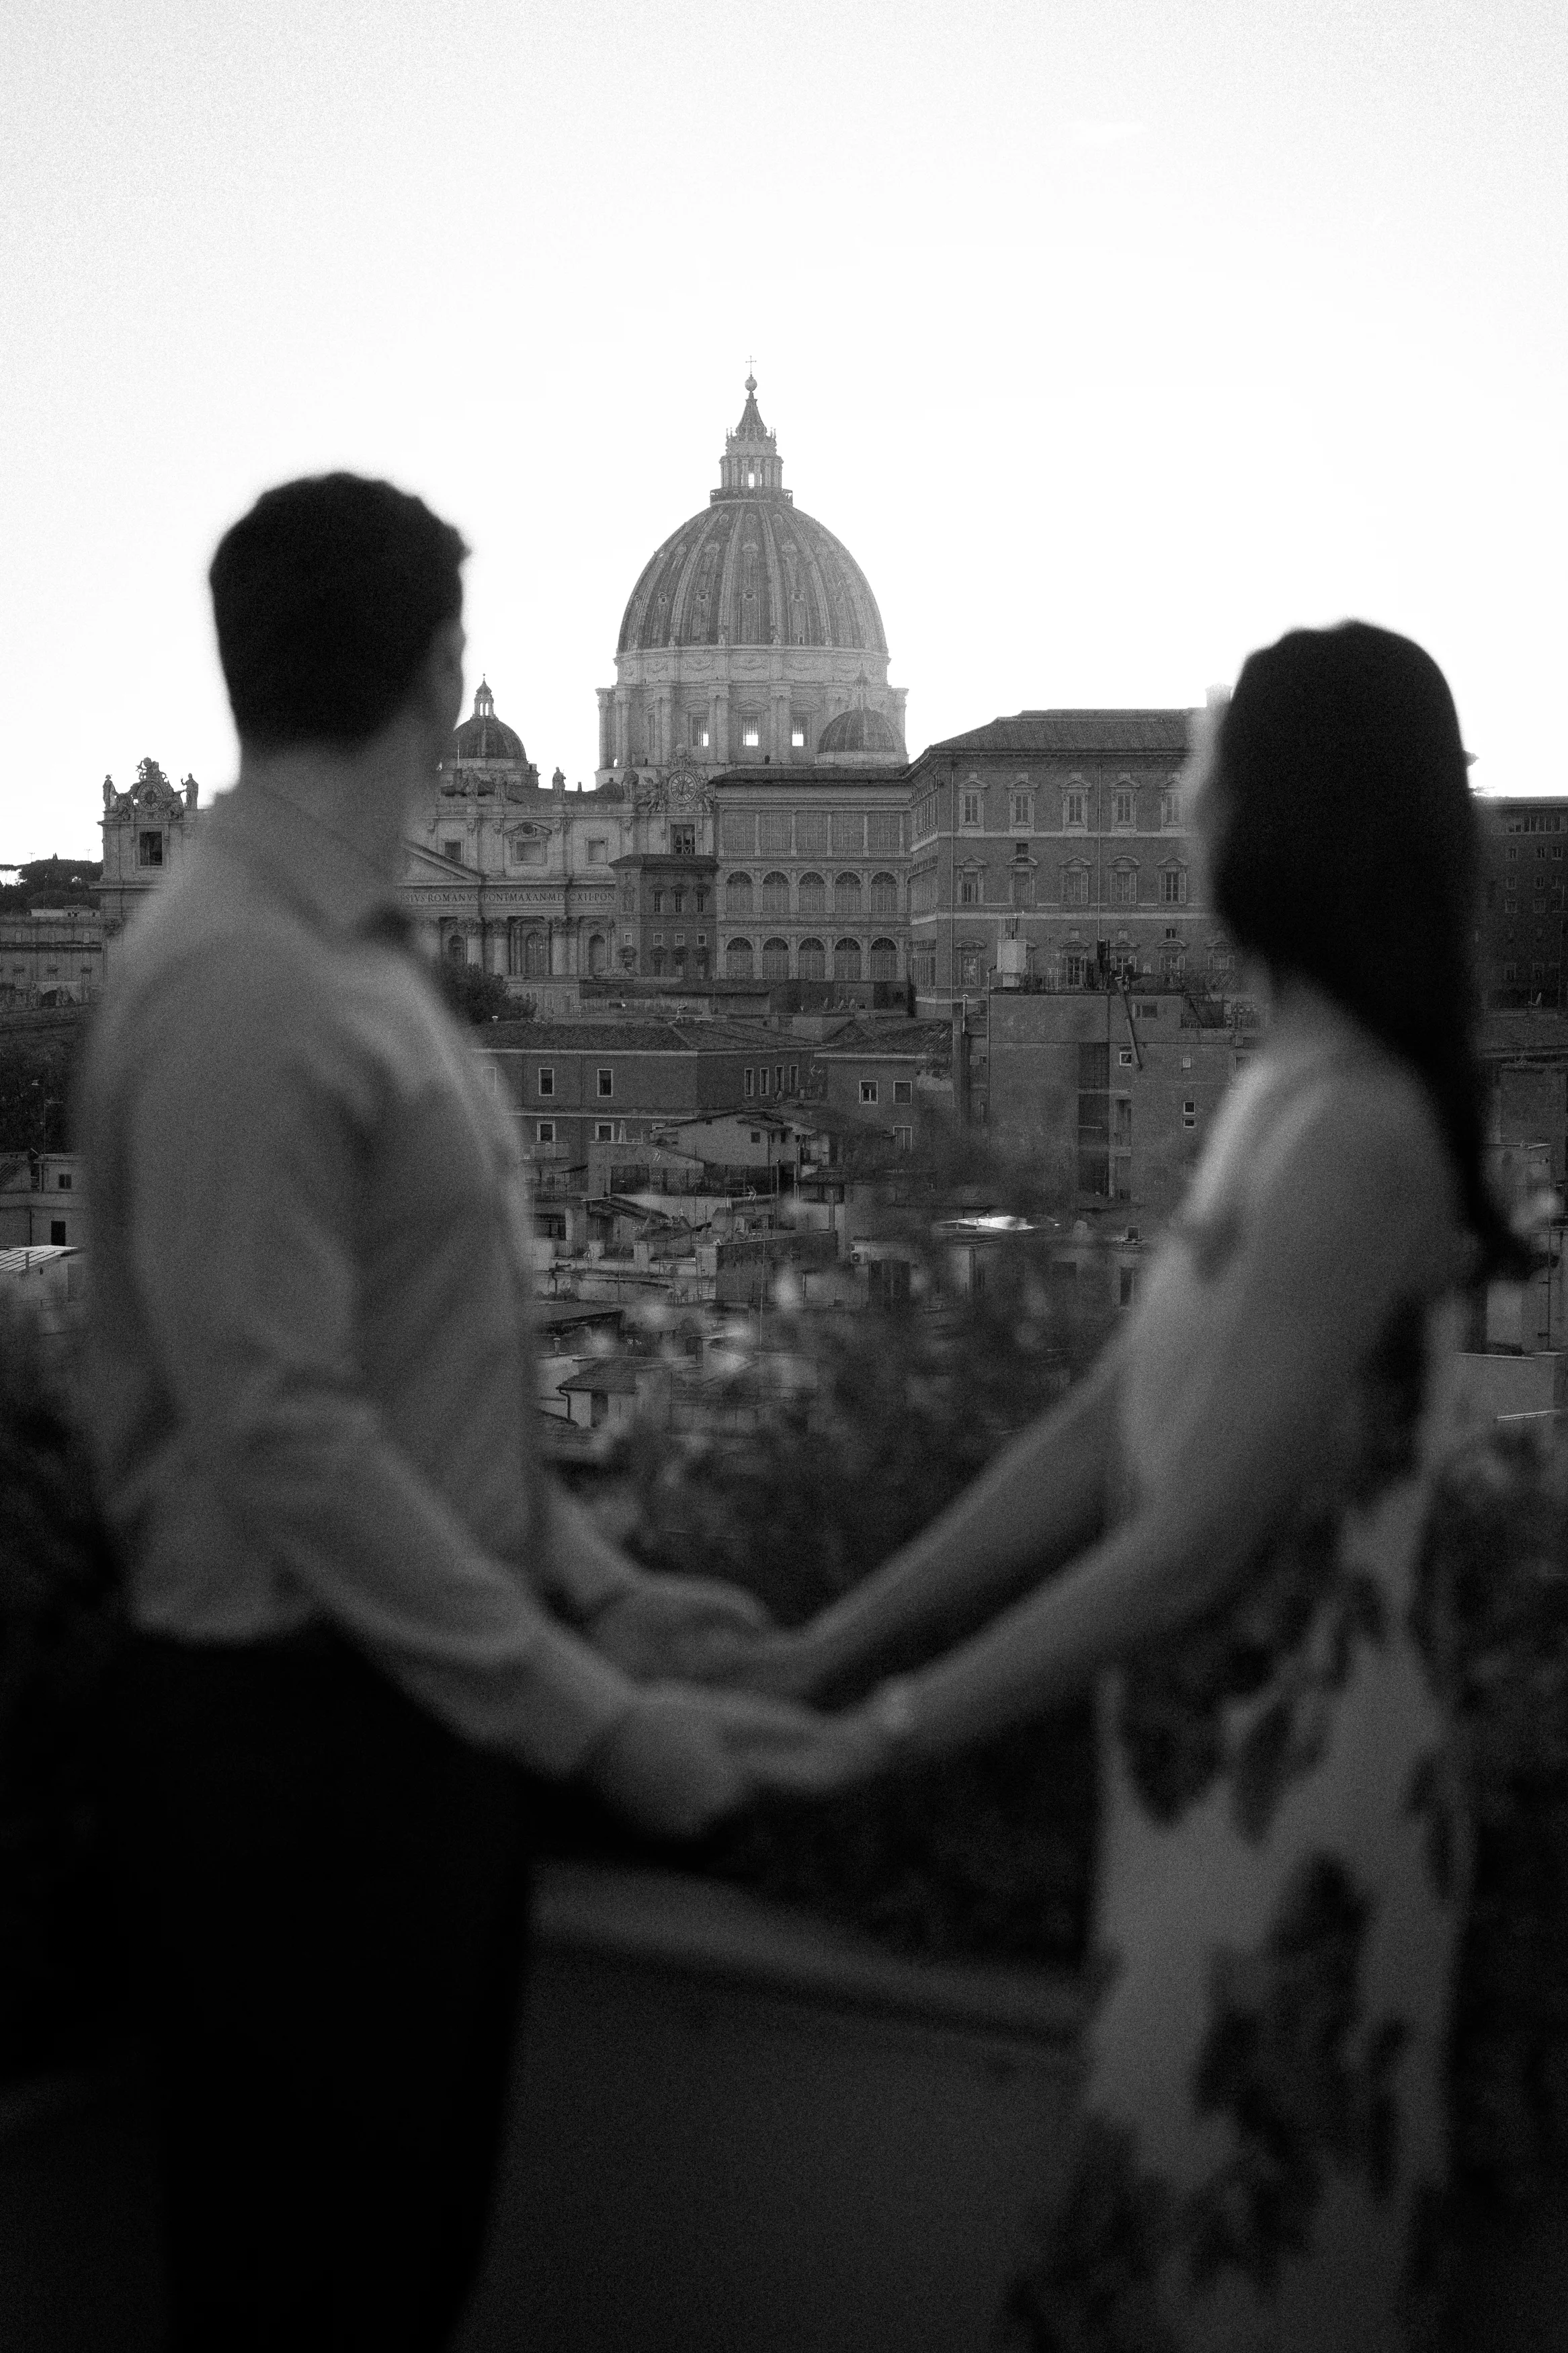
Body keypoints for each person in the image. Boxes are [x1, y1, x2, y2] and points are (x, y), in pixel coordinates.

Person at [77, 473, 827, 2353]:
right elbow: (289, 1431)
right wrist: (590, 1713)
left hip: (389, 1712)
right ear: (442, 675)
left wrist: (585, 1578)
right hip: (302, 1742)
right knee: (315, 2298)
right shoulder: (250, 974)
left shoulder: (340, 950)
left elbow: (426, 1366)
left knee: (398, 2281)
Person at [722, 623, 1521, 2348]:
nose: (1172, 803)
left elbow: (1185, 1542)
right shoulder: (1272, 1103)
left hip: (1295, 1801)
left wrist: (875, 1732)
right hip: (1205, 1773)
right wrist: (819, 1649)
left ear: (1281, 818)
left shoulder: (1354, 1129)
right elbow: (1098, 1430)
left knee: (1220, 2276)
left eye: (1200, 765)